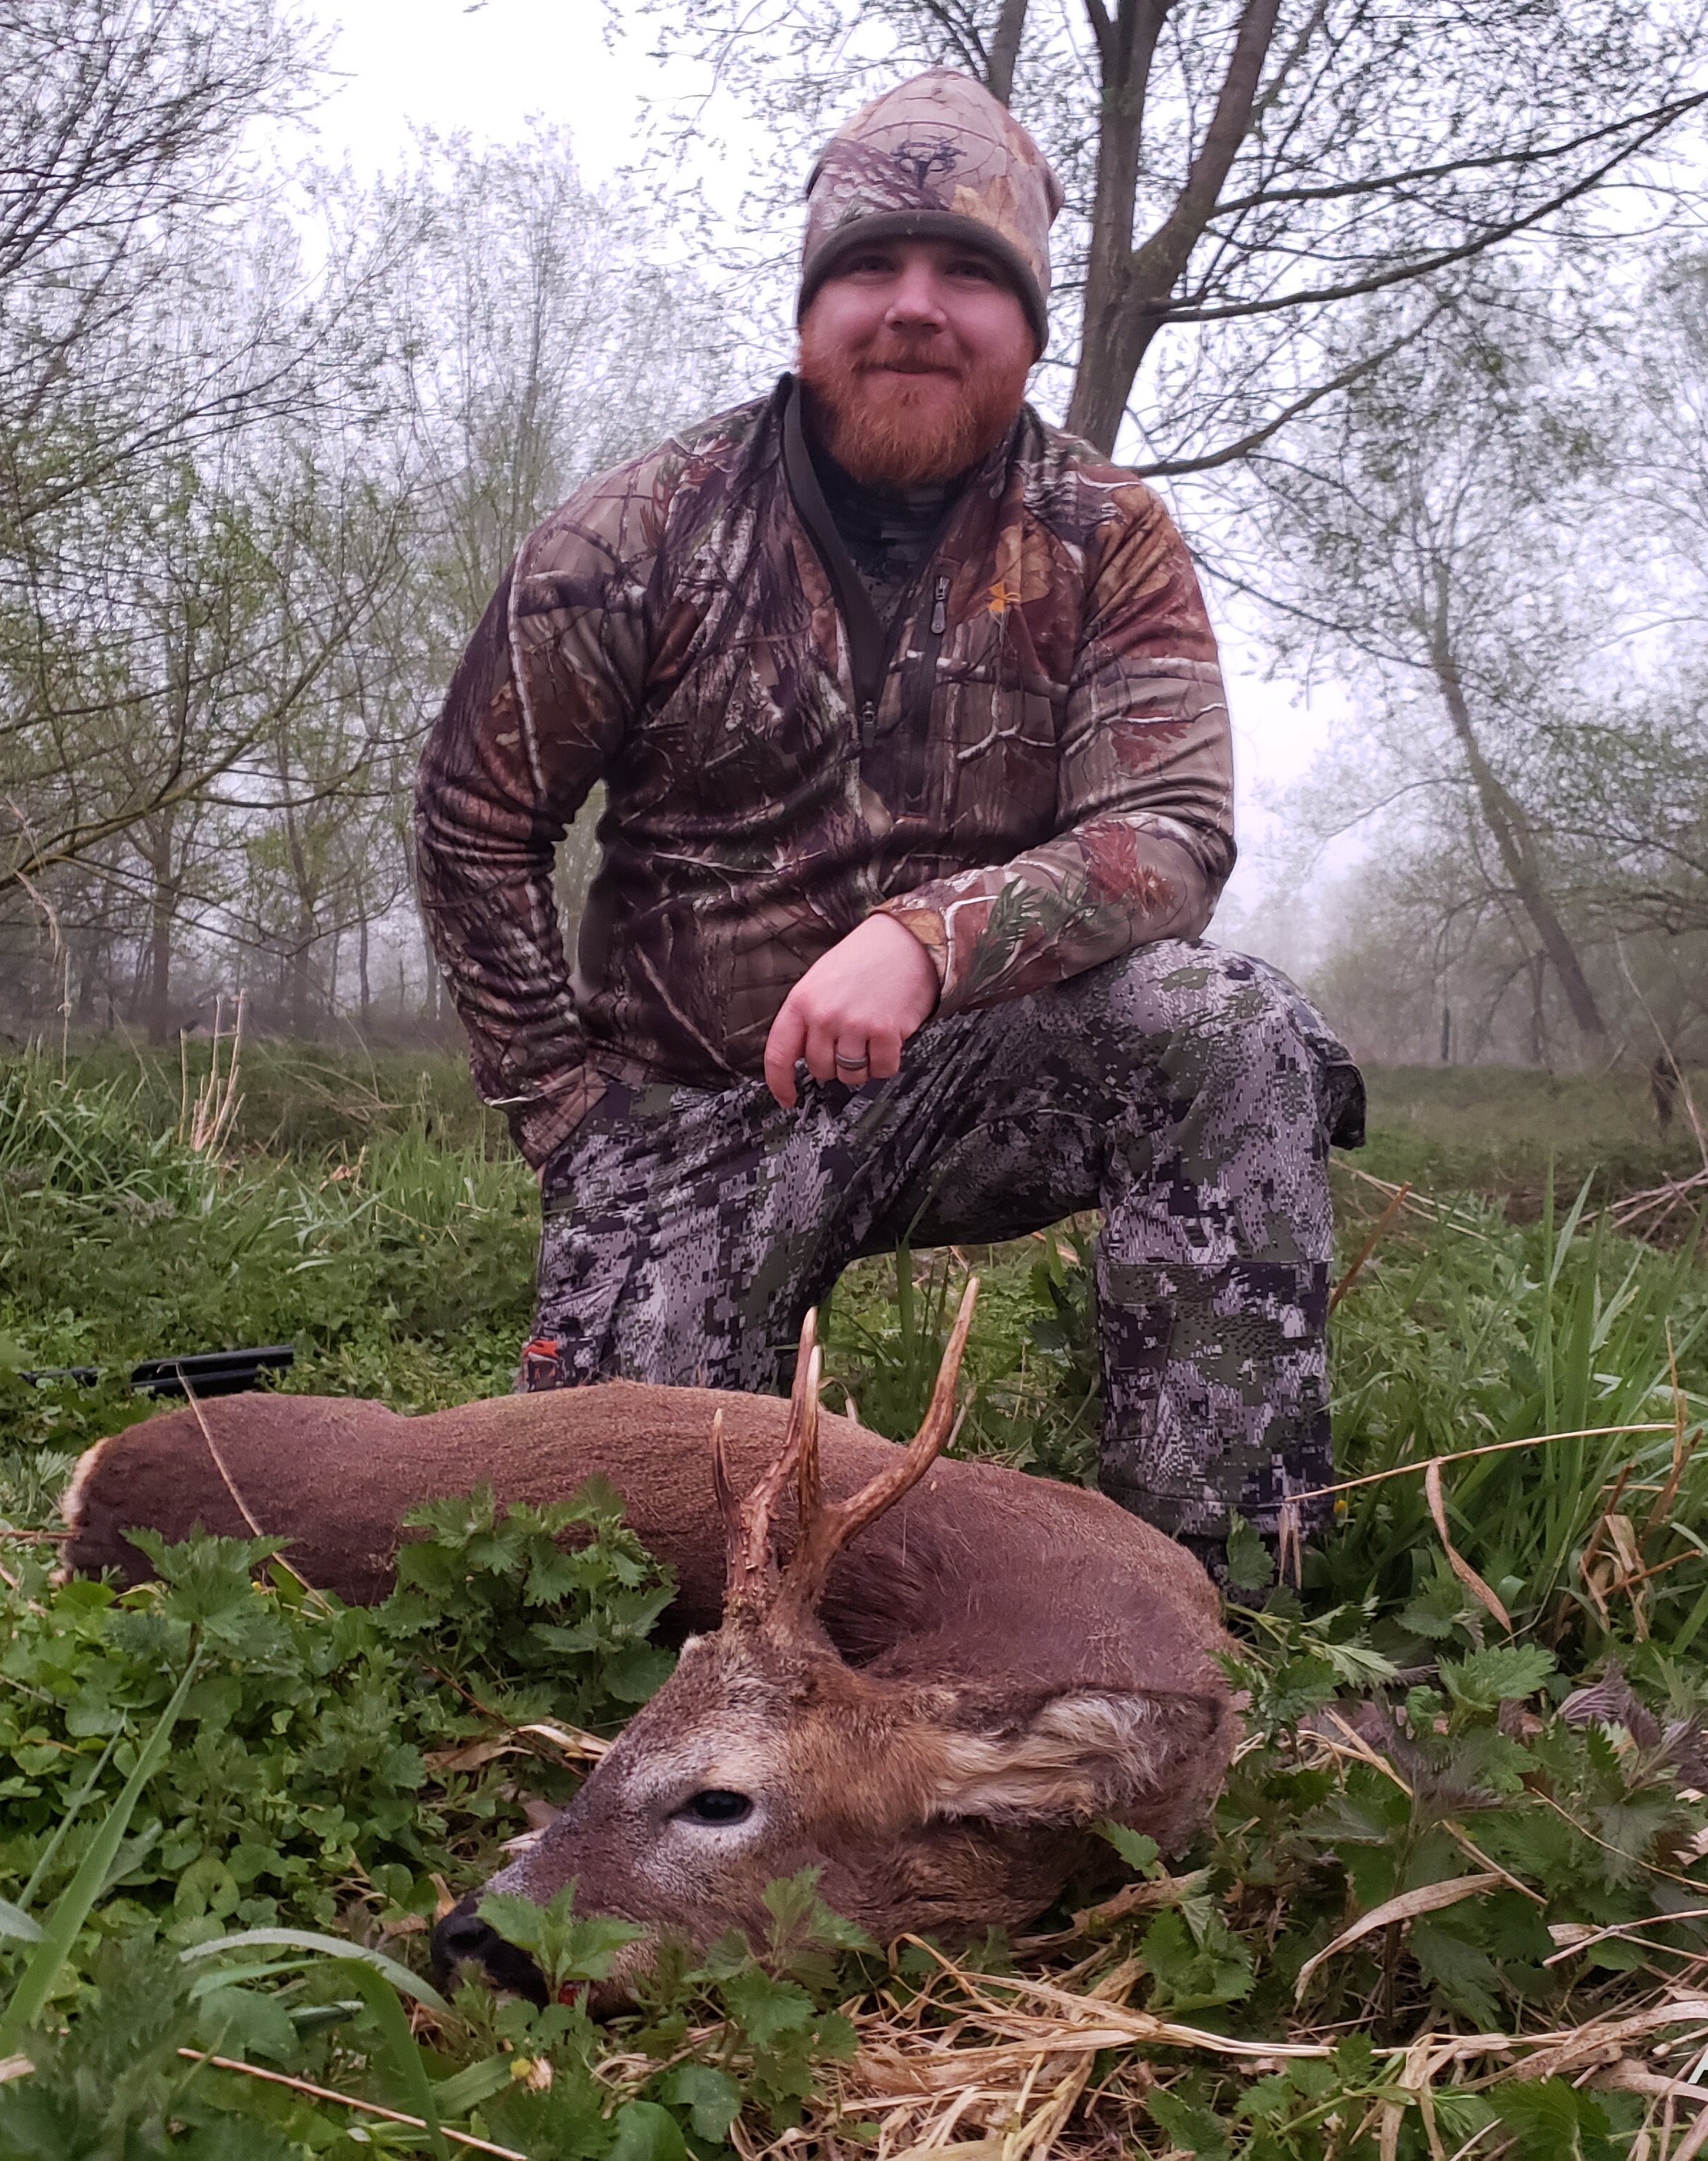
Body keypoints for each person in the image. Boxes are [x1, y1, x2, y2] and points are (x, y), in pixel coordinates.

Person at [413, 68, 1363, 1583]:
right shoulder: (639, 529)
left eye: (969, 274)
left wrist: (926, 944)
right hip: (683, 1111)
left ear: (1029, 324)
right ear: (810, 306)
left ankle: (1222, 1579)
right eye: (872, 265)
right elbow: (474, 822)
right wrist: (563, 1114)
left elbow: (1169, 831)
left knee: (1227, 1025)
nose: (915, 306)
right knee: (599, 1564)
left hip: (973, 1078)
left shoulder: (1105, 536)